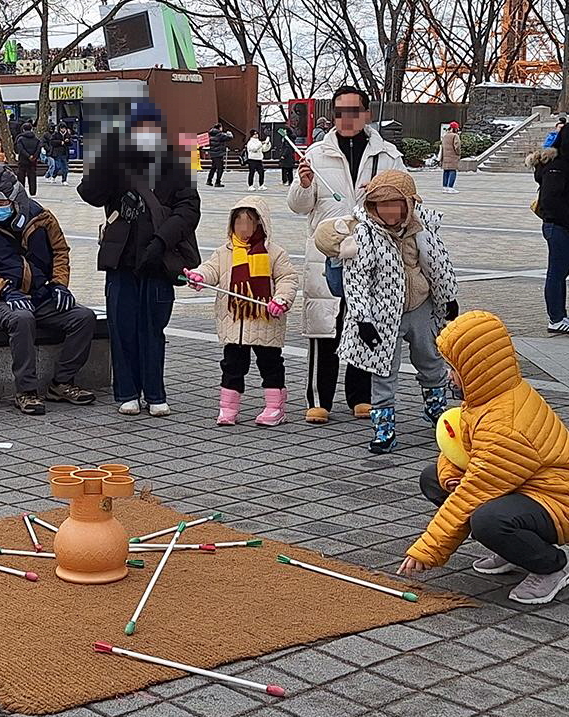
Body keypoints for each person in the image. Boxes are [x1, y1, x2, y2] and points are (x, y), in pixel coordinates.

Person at [398, 311, 569, 605]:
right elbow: (461, 449)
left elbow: (475, 492)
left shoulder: (505, 423)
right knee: (434, 478)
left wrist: (427, 549)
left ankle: (552, 567)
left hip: (562, 499)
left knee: (486, 519)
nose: (449, 375)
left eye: (454, 368)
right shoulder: (486, 397)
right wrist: (449, 472)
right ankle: (512, 548)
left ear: (475, 368)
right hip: (523, 485)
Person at [317, 170, 459, 453]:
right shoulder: (365, 234)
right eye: (382, 205)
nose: (390, 211)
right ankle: (384, 427)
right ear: (372, 206)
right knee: (383, 369)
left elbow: (439, 264)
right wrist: (363, 319)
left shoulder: (423, 228)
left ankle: (436, 408)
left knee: (431, 359)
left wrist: (448, 297)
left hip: (421, 304)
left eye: (396, 204)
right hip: (382, 313)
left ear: (409, 204)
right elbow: (356, 278)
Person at [287, 85, 402, 424]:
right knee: (324, 327)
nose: (346, 119)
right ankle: (319, 397)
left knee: (362, 323)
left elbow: (404, 200)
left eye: (354, 111)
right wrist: (304, 184)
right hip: (327, 254)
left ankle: (360, 395)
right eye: (339, 112)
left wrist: (382, 196)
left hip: (370, 255)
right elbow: (298, 206)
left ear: (366, 114)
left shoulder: (387, 155)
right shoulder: (318, 154)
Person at [78, 101, 201, 416]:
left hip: (159, 260)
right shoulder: (117, 161)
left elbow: (189, 208)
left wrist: (162, 241)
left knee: (152, 327)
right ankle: (127, 391)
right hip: (121, 260)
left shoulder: (175, 164)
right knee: (122, 326)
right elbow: (89, 193)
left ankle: (155, 392)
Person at [0, 164, 97, 415]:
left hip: (42, 295)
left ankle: (62, 383)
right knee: (22, 320)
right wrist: (4, 291)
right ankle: (26, 391)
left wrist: (59, 285)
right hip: (2, 299)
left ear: (14, 198)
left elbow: (60, 252)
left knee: (84, 318)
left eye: (1, 202)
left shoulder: (42, 218)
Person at [184, 197, 298, 426]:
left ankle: (275, 407)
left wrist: (281, 299)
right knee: (232, 364)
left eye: (249, 224)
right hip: (234, 321)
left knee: (270, 363)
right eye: (239, 224)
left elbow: (288, 278)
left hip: (266, 320)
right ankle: (228, 408)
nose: (243, 229)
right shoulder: (224, 252)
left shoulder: (274, 252)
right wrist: (199, 276)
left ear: (260, 225)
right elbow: (210, 269)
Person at [528, 122, 569, 335]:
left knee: (560, 273)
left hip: (567, 226)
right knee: (556, 273)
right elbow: (551, 199)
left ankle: (560, 314)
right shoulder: (558, 166)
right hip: (560, 226)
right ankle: (556, 318)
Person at [13, 122, 41, 196]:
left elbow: (20, 149)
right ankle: (33, 192)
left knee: (21, 176)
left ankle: (21, 191)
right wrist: (33, 156)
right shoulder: (36, 139)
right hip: (33, 161)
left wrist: (28, 156)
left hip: (23, 160)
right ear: (31, 129)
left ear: (23, 130)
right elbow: (39, 149)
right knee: (32, 176)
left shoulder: (20, 139)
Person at [205, 123, 233, 187]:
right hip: (219, 154)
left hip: (213, 153)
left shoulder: (211, 134)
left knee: (213, 168)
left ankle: (209, 180)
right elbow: (230, 137)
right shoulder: (220, 134)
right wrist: (229, 133)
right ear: (219, 128)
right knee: (220, 168)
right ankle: (217, 182)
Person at [440, 121, 461, 193]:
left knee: (446, 171)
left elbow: (442, 147)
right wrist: (458, 153)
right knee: (453, 170)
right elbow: (457, 146)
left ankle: (445, 187)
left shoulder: (445, 136)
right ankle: (450, 187)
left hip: (445, 156)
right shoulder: (455, 136)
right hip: (453, 156)